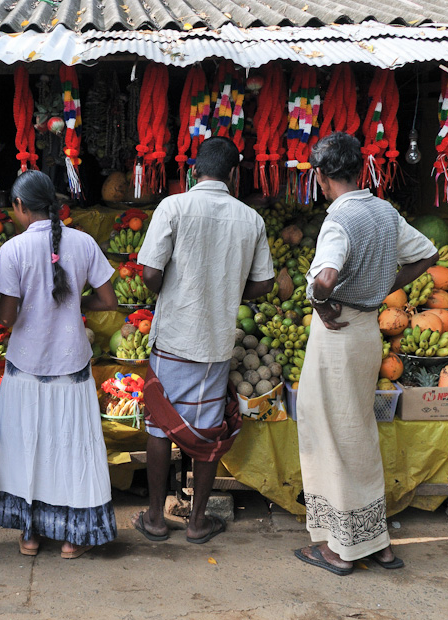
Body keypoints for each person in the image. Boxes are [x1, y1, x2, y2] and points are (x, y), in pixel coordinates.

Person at [293, 132, 438, 576]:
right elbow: (426, 255)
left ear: (321, 176)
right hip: (367, 334)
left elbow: (325, 276)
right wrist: (383, 289)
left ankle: (338, 550)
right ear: (359, 171)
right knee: (357, 433)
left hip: (337, 334)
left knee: (331, 435)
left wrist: (321, 300)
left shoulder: (339, 221)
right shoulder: (382, 210)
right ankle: (377, 544)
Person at [134, 136, 275, 544]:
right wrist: (228, 290)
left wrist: (171, 287)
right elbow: (264, 283)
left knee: (161, 426)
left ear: (194, 170)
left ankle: (156, 519)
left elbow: (148, 274)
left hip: (174, 338)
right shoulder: (251, 219)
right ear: (234, 174)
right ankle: (197, 523)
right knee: (208, 430)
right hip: (215, 344)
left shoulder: (173, 206)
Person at [0, 170, 119, 560]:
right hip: (70, 365)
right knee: (72, 451)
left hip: (25, 366)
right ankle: (72, 538)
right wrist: (75, 303)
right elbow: (109, 301)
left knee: (27, 451)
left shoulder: (13, 250)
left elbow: (5, 318)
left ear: (20, 207)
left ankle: (30, 535)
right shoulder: (84, 242)